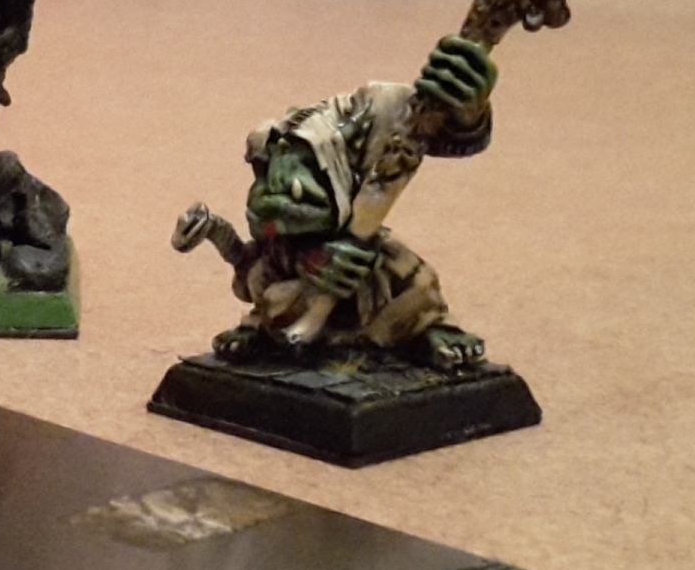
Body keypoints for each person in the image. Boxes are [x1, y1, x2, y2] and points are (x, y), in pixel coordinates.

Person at [173, 37, 498, 369]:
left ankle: (429, 331)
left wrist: (464, 116)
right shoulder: (277, 228)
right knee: (275, 294)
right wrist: (213, 231)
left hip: (364, 275)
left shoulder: (371, 115)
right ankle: (264, 330)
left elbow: (423, 123)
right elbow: (247, 264)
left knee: (408, 277)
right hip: (299, 295)